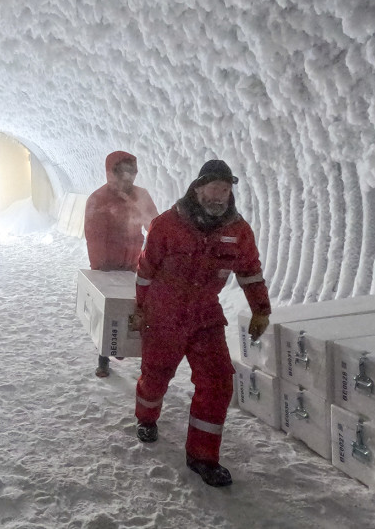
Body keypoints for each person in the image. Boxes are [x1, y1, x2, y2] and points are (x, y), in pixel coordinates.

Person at [131, 159, 271, 487]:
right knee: (156, 375)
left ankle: (202, 457)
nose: (219, 195)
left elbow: (250, 271)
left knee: (218, 381)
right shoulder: (167, 224)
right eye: (214, 188)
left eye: (225, 189)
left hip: (205, 316)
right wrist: (140, 308)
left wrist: (261, 309)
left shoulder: (238, 231)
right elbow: (146, 269)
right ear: (198, 188)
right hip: (164, 314)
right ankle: (146, 417)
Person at [83, 150, 160, 378]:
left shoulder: (141, 196)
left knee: (137, 310)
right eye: (123, 172)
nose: (128, 177)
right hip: (107, 266)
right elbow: (94, 236)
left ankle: (135, 354)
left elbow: (155, 227)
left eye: (132, 171)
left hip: (135, 263)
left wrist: (157, 255)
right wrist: (101, 267)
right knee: (109, 312)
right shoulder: (98, 199)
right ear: (111, 173)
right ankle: (103, 357)